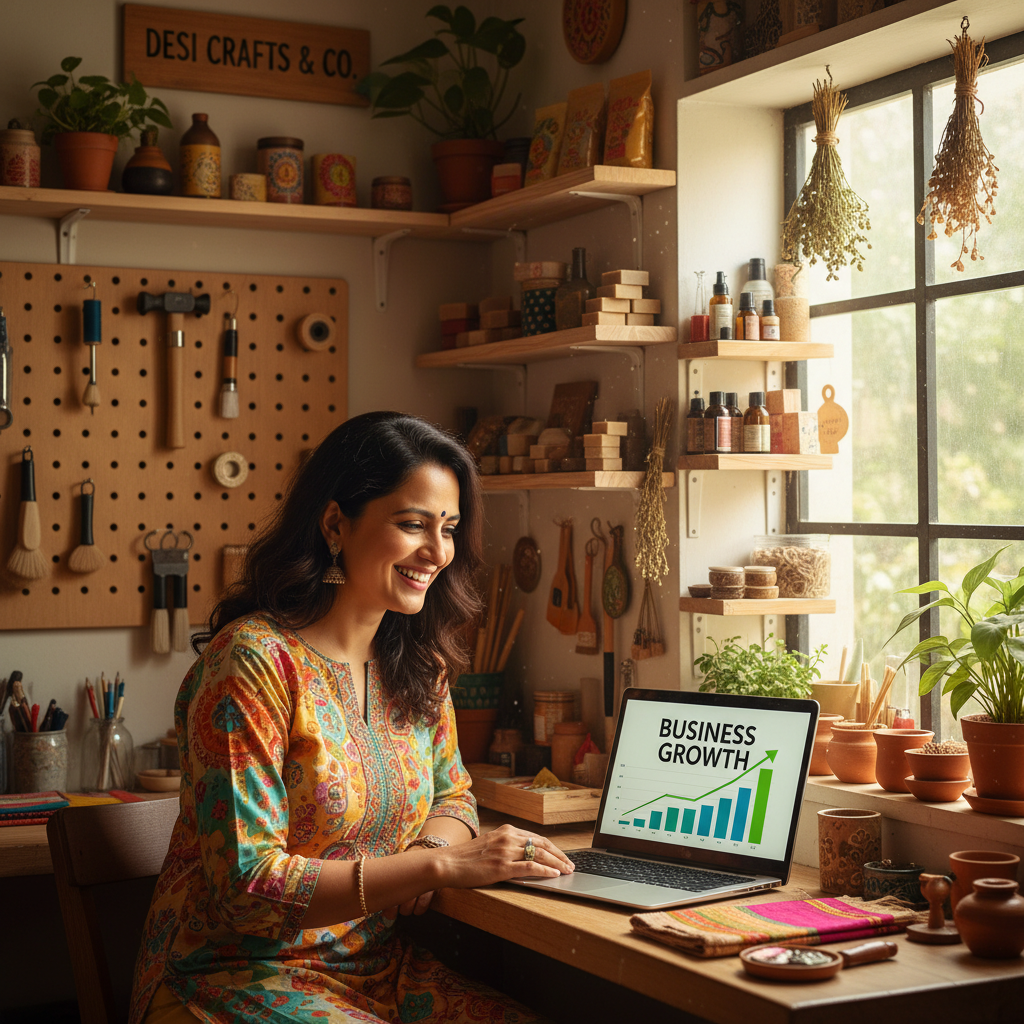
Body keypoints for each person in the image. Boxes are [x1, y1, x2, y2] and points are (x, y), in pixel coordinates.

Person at [130, 411, 574, 1024]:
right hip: (229, 974)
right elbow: (247, 889)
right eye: (412, 524)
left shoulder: (418, 663)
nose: (437, 551)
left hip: (376, 967)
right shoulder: (253, 662)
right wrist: (437, 864)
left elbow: (455, 797)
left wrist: (431, 845)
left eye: (448, 528)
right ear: (336, 523)